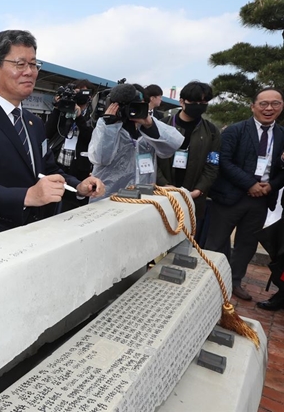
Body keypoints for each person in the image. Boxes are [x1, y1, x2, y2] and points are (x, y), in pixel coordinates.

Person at [0, 30, 104, 238]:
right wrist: (28, 196)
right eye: (20, 64)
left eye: (33, 64)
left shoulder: (34, 123)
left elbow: (48, 169)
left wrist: (78, 186)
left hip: (34, 231)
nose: (29, 72)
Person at [204, 87, 284, 301]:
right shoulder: (236, 131)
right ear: (253, 106)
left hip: (261, 200)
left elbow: (282, 170)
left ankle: (234, 281)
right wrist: (250, 183)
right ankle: (207, 279)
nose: (269, 108)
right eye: (263, 104)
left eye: (275, 103)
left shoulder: (282, 135)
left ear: (281, 106)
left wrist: (272, 185)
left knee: (246, 244)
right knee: (216, 241)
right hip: (231, 197)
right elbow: (224, 161)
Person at [88, 83, 184, 200]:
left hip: (141, 199)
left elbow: (174, 143)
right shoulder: (106, 125)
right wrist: (110, 126)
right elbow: (100, 158)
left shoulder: (147, 124)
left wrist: (150, 125)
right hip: (108, 198)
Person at [156, 81, 221, 246]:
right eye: (194, 103)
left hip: (193, 198)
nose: (199, 106)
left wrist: (198, 190)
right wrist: (164, 185)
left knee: (185, 242)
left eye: (203, 103)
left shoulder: (211, 131)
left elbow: (212, 165)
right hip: (162, 193)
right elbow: (151, 159)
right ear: (182, 101)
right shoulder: (162, 125)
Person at [45, 79, 96, 212]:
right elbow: (47, 132)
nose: (78, 96)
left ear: (89, 96)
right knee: (53, 202)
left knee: (74, 205)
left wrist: (79, 118)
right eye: (76, 92)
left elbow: (91, 138)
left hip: (80, 167)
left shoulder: (94, 115)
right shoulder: (64, 109)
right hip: (59, 162)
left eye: (82, 93)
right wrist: (57, 109)